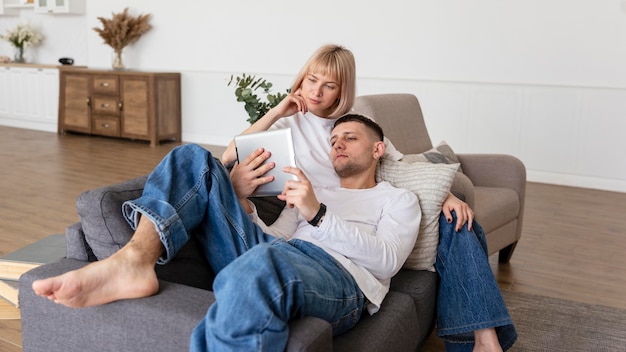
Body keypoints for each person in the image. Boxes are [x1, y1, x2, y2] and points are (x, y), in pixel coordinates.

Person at [32, 115, 422, 351]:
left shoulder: (399, 200)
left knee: (262, 263)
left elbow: (386, 260)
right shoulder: (316, 192)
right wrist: (241, 202)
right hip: (276, 252)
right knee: (192, 157)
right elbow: (275, 237)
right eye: (334, 140)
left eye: (349, 138)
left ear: (378, 150)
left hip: (339, 280)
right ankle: (135, 259)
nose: (338, 145)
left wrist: (317, 214)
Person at [222, 44, 516, 351]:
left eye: (329, 85)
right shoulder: (288, 127)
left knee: (459, 222)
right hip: (302, 229)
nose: (316, 92)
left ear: (342, 91)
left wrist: (445, 195)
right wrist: (247, 204)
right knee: (246, 268)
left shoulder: (371, 148)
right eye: (311, 80)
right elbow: (233, 160)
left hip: (339, 250)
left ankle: (485, 340)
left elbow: (403, 168)